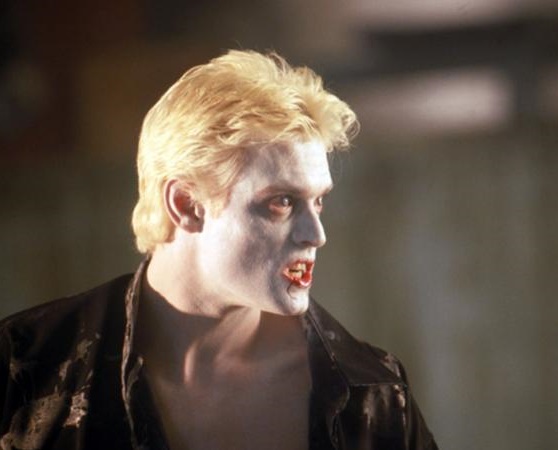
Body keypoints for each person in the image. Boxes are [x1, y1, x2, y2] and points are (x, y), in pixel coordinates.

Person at [0, 50, 438, 450]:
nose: (316, 234)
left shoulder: (375, 396)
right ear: (186, 205)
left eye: (318, 200)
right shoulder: (25, 367)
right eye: (282, 202)